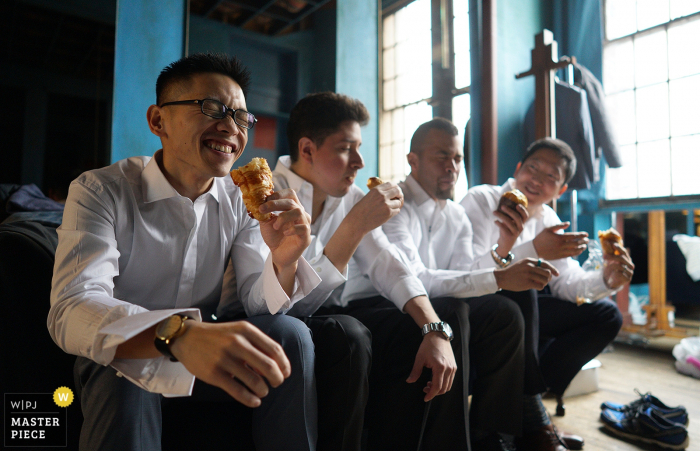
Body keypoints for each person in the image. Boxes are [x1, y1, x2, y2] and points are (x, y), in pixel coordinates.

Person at [48, 53, 351, 451]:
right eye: (211, 108)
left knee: (289, 333)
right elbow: (73, 304)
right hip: (128, 355)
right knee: (123, 365)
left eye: (241, 117)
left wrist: (284, 259)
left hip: (205, 357)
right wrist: (177, 333)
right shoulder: (101, 191)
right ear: (158, 120)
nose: (230, 126)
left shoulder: (240, 200)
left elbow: (256, 302)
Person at [272, 92, 469, 451]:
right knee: (348, 334)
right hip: (278, 317)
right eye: (346, 148)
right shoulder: (267, 195)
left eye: (359, 148)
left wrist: (433, 328)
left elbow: (387, 262)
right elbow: (286, 307)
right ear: (307, 149)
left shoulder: (349, 194)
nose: (360, 162)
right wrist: (353, 227)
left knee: (419, 327)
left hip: (329, 311)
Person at [382, 118, 564, 451]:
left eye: (457, 159)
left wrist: (503, 248)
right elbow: (415, 279)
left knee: (503, 310)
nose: (452, 167)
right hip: (391, 303)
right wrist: (498, 275)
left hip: (440, 301)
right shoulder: (394, 203)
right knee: (456, 309)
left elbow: (467, 274)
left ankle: (492, 435)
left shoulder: (455, 214)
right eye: (441, 157)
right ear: (413, 160)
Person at [461, 137, 633, 448]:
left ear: (561, 190)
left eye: (551, 177)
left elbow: (569, 285)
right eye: (532, 169)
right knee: (523, 282)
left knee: (606, 314)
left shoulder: (549, 220)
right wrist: (534, 248)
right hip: (476, 304)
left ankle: (529, 408)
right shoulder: (481, 199)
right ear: (518, 169)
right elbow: (465, 272)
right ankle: (531, 418)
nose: (537, 180)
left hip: (524, 308)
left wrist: (607, 279)